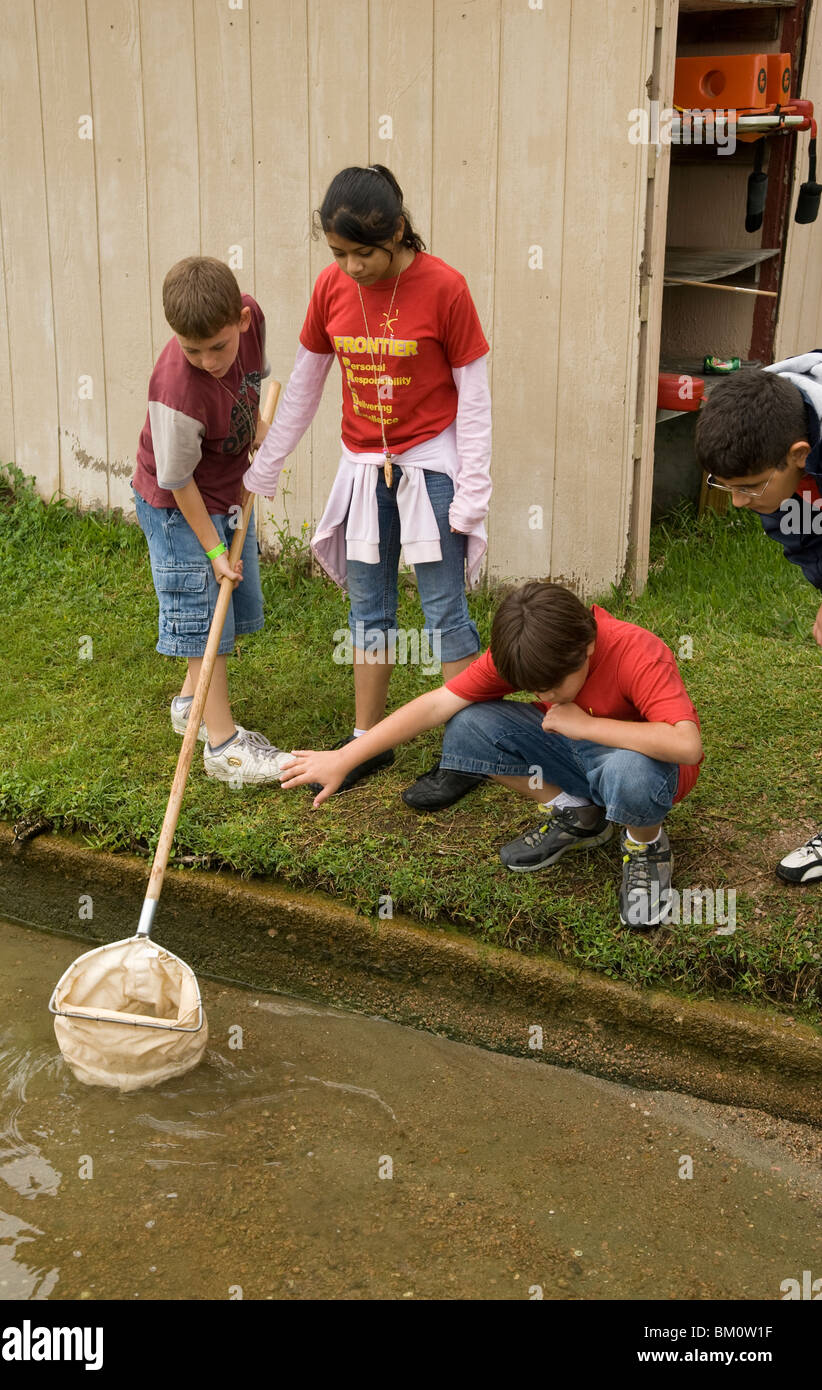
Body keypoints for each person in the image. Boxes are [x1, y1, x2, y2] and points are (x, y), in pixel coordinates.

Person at [244, 164, 492, 795]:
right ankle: (364, 743)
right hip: (362, 469)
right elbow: (302, 387)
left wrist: (473, 490)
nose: (351, 267)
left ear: (399, 231)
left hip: (430, 466)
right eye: (338, 253)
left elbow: (475, 398)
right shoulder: (330, 289)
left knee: (443, 608)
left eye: (364, 253)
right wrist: (267, 463)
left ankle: (465, 754)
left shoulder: (446, 288)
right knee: (367, 609)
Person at [279, 582, 703, 928]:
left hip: (645, 769)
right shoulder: (527, 650)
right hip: (573, 755)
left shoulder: (636, 650)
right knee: (468, 725)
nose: (543, 697)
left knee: (630, 773)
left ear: (587, 649)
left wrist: (586, 725)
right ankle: (577, 812)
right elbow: (435, 705)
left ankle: (645, 844)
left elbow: (687, 745)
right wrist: (345, 757)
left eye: (552, 687)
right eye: (533, 689)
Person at [131, 256, 293, 784]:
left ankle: (189, 705)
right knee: (205, 611)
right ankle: (223, 747)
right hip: (178, 507)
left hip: (225, 487)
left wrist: (258, 429)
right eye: (191, 349)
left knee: (226, 604)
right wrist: (215, 552)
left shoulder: (253, 319)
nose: (206, 360)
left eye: (218, 346)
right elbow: (178, 483)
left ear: (241, 321)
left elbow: (252, 381)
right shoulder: (177, 393)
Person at [695, 350, 822, 883]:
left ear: (798, 453)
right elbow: (803, 533)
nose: (740, 503)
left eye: (749, 487)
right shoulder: (764, 416)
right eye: (727, 486)